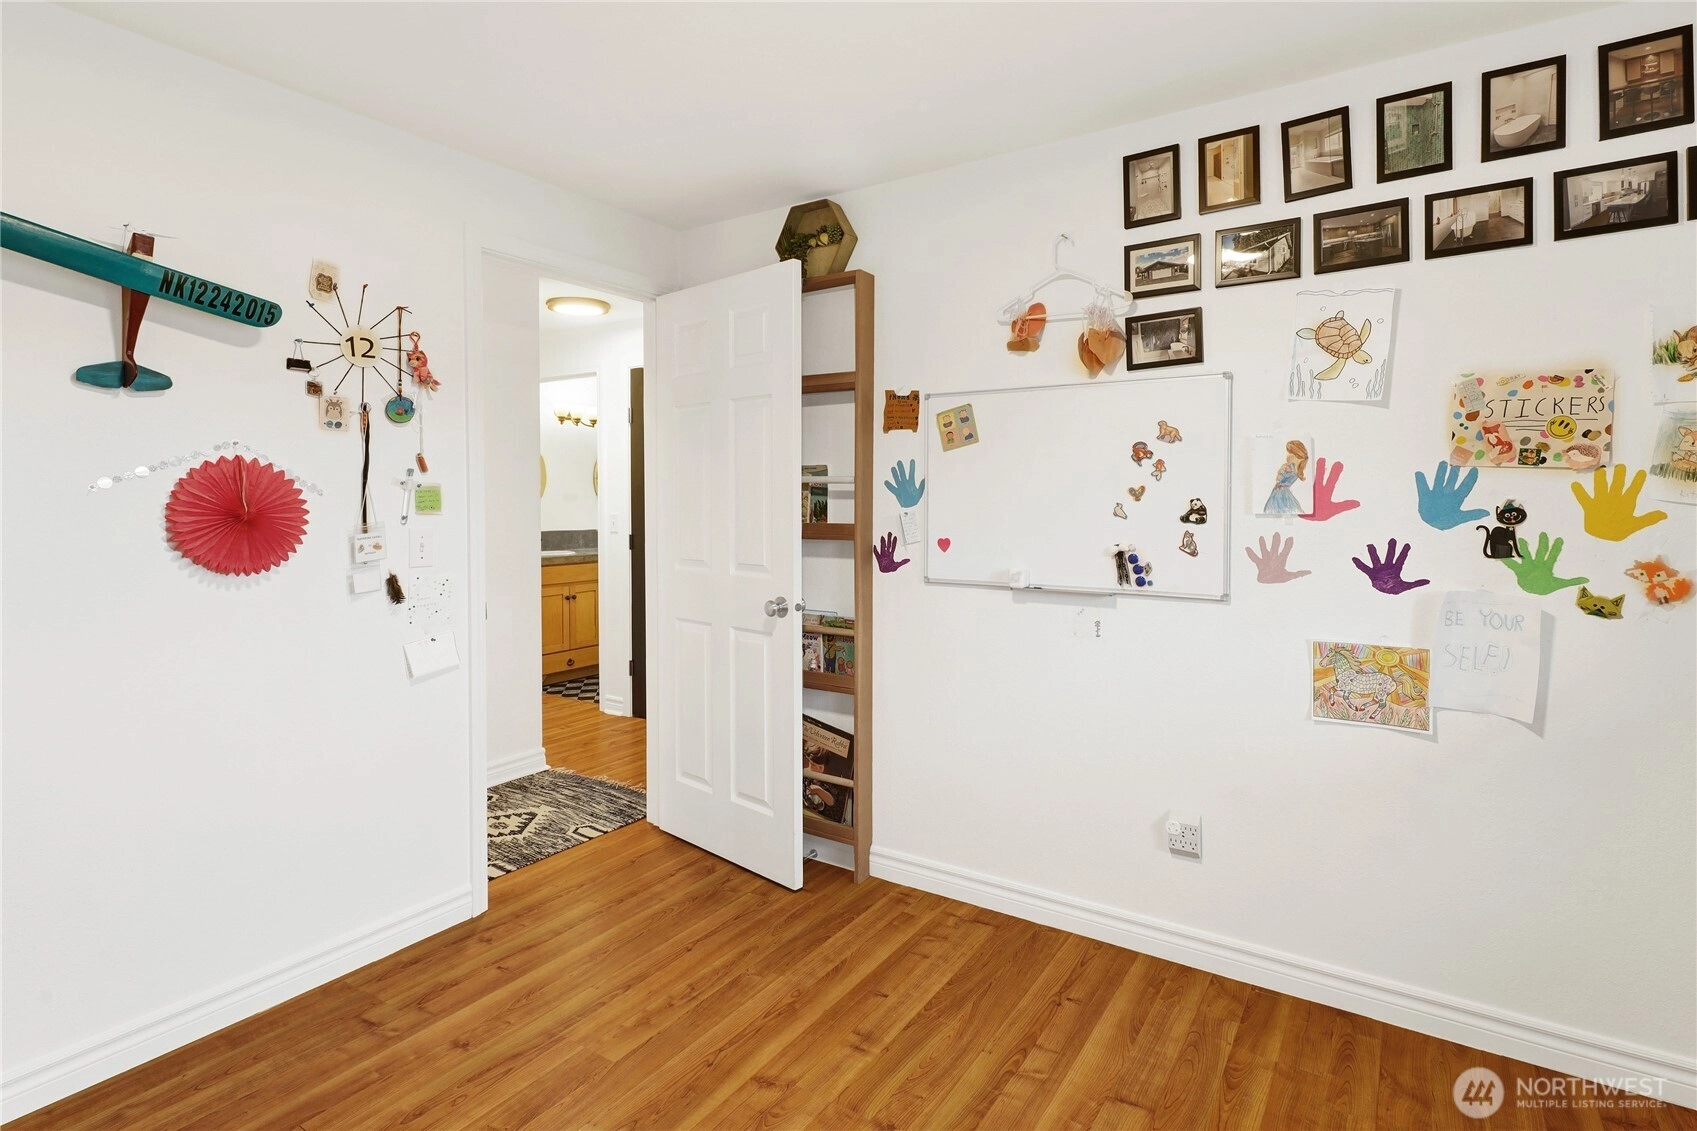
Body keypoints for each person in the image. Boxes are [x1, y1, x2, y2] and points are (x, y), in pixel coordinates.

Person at [1263, 439, 1310, 513]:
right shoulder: (1297, 468)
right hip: (1281, 492)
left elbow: (1278, 479)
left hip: (1280, 493)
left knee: (1277, 509)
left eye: (1289, 453)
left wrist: (1281, 470)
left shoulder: (1290, 467)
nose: (1287, 455)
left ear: (1295, 454)